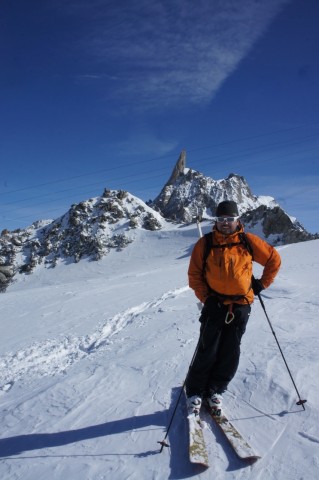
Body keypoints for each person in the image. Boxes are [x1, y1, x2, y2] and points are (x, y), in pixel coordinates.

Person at [186, 200, 281, 416]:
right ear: (216, 221)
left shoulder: (247, 241)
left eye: (230, 219)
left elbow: (274, 259)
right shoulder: (206, 243)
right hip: (215, 304)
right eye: (221, 220)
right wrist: (205, 298)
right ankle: (195, 392)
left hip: (241, 305)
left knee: (231, 350)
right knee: (207, 348)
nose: (226, 223)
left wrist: (261, 284)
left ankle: (216, 390)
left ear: (237, 220)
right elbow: (194, 275)